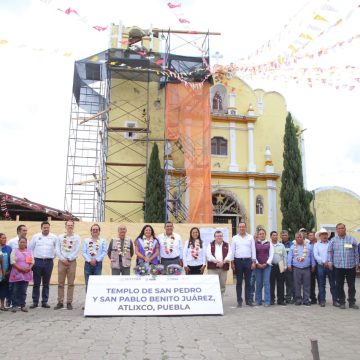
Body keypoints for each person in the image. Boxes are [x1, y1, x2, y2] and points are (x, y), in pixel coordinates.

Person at [327, 223, 359, 309]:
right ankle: (342, 302)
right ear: (336, 230)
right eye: (339, 228)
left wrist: (357, 263)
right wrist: (330, 262)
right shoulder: (333, 241)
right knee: (339, 285)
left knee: (351, 285)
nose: (340, 230)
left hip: (350, 266)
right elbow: (330, 252)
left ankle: (352, 302)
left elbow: (356, 252)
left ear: (345, 229)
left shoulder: (352, 239)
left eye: (342, 228)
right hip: (338, 266)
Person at [29, 221, 57, 309]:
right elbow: (30, 249)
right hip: (37, 261)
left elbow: (57, 249)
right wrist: (32, 261)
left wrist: (52, 257)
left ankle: (45, 301)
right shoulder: (36, 237)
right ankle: (35, 302)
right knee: (36, 283)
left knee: (46, 283)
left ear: (49, 228)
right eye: (44, 227)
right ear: (41, 228)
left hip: (48, 262)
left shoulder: (54, 237)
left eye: (47, 227)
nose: (46, 229)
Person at [54, 220, 81, 310]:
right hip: (62, 261)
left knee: (71, 283)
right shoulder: (60, 237)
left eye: (71, 225)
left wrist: (69, 258)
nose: (70, 226)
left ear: (73, 226)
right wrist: (62, 259)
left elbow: (77, 250)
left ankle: (69, 302)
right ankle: (60, 302)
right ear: (65, 226)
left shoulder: (77, 237)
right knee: (60, 283)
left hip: (72, 261)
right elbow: (57, 249)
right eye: (68, 225)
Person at [231, 222, 256, 307]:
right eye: (240, 227)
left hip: (248, 261)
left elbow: (253, 249)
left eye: (243, 227)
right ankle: (239, 301)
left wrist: (253, 261)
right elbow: (232, 251)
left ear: (245, 227)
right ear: (238, 228)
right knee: (239, 282)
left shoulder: (250, 237)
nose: (242, 228)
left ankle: (248, 300)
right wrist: (232, 262)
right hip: (238, 261)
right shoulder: (234, 238)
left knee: (248, 282)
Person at [287, 232, 316, 306]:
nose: (299, 238)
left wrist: (313, 265)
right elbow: (290, 256)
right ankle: (298, 299)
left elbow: (312, 256)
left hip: (307, 268)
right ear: (295, 238)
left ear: (303, 238)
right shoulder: (292, 247)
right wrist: (289, 265)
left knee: (307, 284)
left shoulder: (309, 246)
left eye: (301, 237)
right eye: (298, 237)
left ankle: (306, 300)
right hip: (296, 268)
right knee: (297, 284)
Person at [313, 228, 338, 307]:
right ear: (319, 236)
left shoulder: (331, 243)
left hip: (330, 265)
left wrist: (330, 262)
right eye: (323, 234)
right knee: (321, 284)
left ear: (328, 236)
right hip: (321, 266)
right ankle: (322, 300)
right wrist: (323, 262)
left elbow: (334, 254)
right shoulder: (316, 245)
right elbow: (316, 255)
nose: (324, 236)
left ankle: (335, 300)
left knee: (333, 284)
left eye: (326, 234)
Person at [9, 237, 34, 312]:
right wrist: (20, 269)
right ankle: (14, 305)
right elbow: (12, 261)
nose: (22, 243)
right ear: (18, 243)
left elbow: (32, 262)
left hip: (26, 273)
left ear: (26, 243)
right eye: (21, 242)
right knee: (15, 290)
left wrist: (29, 268)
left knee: (23, 290)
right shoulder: (14, 251)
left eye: (24, 242)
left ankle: (22, 305)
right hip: (16, 273)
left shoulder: (29, 251)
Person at [206, 230, 232, 295]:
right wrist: (217, 261)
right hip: (212, 269)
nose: (219, 237)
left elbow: (230, 254)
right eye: (217, 236)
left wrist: (223, 262)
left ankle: (221, 302)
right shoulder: (210, 244)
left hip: (223, 268)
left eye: (220, 236)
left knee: (222, 286)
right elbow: (208, 255)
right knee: (212, 285)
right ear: (214, 237)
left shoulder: (227, 245)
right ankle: (213, 302)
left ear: (222, 237)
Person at [82, 224, 107, 292]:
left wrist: (96, 259)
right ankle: (88, 301)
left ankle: (95, 301)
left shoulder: (103, 241)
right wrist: (90, 260)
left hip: (98, 264)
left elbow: (104, 252)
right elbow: (84, 252)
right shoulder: (86, 240)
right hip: (88, 264)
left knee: (97, 283)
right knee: (88, 283)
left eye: (97, 230)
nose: (95, 231)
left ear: (99, 231)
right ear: (91, 231)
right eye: (93, 230)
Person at [254, 229, 274, 307]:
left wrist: (266, 263)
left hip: (267, 266)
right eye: (260, 234)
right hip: (257, 266)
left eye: (263, 233)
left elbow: (271, 254)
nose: (262, 235)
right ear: (258, 235)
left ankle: (267, 301)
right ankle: (258, 301)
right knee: (258, 283)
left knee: (266, 283)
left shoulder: (269, 243)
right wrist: (257, 263)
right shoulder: (255, 243)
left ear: (265, 235)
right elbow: (253, 254)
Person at [270, 231, 287, 305]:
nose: (275, 236)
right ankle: (271, 299)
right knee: (271, 284)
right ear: (271, 237)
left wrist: (285, 265)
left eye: (276, 235)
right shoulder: (269, 245)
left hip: (280, 265)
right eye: (273, 235)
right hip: (271, 265)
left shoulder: (281, 245)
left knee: (281, 283)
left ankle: (281, 300)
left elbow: (285, 256)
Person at [281, 230, 294, 304]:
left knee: (289, 283)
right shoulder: (279, 244)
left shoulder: (292, 245)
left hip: (289, 266)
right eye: (283, 235)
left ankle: (288, 297)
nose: (284, 236)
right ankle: (281, 297)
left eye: (285, 235)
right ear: (281, 236)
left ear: (288, 236)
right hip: (281, 265)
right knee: (281, 283)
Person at [0, 233, 12, 310]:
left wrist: (9, 271)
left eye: (5, 238)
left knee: (3, 289)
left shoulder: (9, 248)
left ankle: (2, 305)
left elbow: (11, 260)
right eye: (3, 238)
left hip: (5, 273)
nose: (5, 239)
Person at [308, 231, 318, 304]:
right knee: (311, 283)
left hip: (320, 265)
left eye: (311, 235)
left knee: (321, 283)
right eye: (309, 235)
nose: (310, 237)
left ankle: (321, 298)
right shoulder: (308, 245)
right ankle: (313, 298)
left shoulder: (319, 244)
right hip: (311, 266)